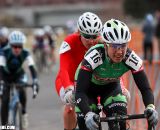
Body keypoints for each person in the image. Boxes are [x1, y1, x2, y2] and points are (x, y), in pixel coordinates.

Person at [75, 19, 158, 130]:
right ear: (105, 45)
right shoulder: (94, 56)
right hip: (87, 89)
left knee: (120, 118)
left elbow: (145, 88)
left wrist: (151, 107)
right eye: (114, 46)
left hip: (110, 87)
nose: (119, 52)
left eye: (123, 46)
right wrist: (87, 113)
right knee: (88, 123)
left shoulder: (130, 58)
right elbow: (80, 92)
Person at [55, 12, 103, 130]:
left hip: (90, 82)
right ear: (79, 32)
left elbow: (113, 67)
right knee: (70, 108)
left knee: (96, 107)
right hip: (68, 81)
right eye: (87, 36)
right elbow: (63, 69)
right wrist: (68, 89)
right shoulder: (69, 42)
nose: (91, 41)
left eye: (94, 36)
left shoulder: (103, 43)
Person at [0, 30, 39, 129]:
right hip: (5, 76)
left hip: (18, 75)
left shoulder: (26, 53)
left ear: (23, 46)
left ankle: (24, 113)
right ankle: (4, 126)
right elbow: (0, 67)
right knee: (5, 100)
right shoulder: (4, 51)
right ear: (10, 45)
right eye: (14, 46)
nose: (17, 49)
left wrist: (35, 81)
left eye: (19, 46)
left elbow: (32, 68)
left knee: (22, 90)